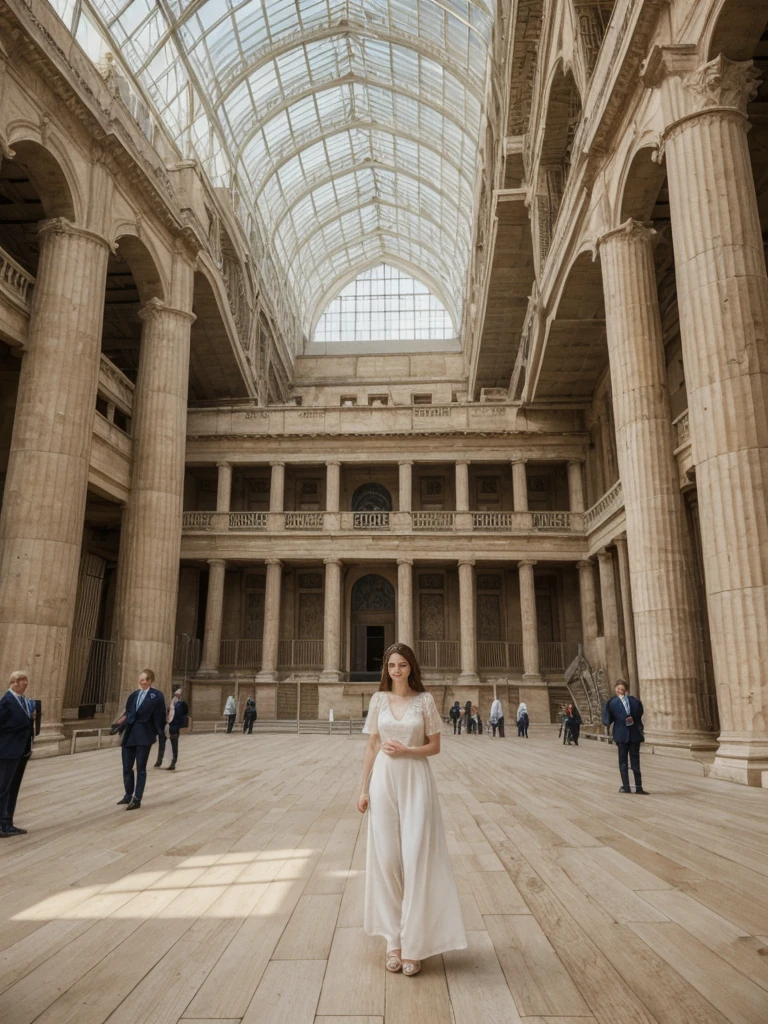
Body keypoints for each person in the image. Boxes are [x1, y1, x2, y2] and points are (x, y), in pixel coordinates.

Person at [358, 643, 466, 977]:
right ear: (386, 669)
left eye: (402, 665)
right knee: (388, 859)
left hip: (416, 781)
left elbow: (435, 746)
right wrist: (363, 789)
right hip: (384, 782)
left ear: (411, 668)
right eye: (391, 665)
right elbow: (372, 745)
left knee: (417, 858)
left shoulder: (425, 701)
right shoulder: (378, 701)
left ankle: (415, 943)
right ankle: (393, 939)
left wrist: (408, 749)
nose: (396, 670)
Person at [118, 669, 166, 810]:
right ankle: (128, 794)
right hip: (130, 734)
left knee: (141, 768)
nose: (141, 681)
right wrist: (119, 726)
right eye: (140, 679)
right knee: (127, 767)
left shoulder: (156, 696)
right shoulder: (133, 695)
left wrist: (158, 732)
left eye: (144, 679)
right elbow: (127, 712)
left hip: (144, 735)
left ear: (150, 681)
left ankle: (137, 798)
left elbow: (160, 716)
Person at [0, 671, 36, 837]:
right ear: (13, 682)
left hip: (21, 750)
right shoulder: (6, 701)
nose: (25, 683)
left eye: (26, 680)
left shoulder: (25, 702)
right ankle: (2, 825)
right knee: (3, 788)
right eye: (22, 680)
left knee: (13, 787)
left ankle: (8, 821)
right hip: (8, 750)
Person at [602, 680, 648, 793]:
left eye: (622, 688)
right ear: (615, 689)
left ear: (626, 690)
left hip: (634, 735)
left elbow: (639, 713)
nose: (620, 690)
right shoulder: (611, 703)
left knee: (635, 762)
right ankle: (626, 786)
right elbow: (607, 718)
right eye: (618, 688)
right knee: (622, 762)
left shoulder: (634, 701)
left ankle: (638, 787)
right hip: (621, 735)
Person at [156, 687, 188, 770]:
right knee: (162, 745)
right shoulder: (171, 703)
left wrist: (177, 726)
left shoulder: (181, 704)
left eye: (178, 694)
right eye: (176, 694)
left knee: (174, 746)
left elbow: (183, 716)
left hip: (174, 727)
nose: (177, 695)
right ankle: (159, 762)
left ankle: (173, 763)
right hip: (166, 725)